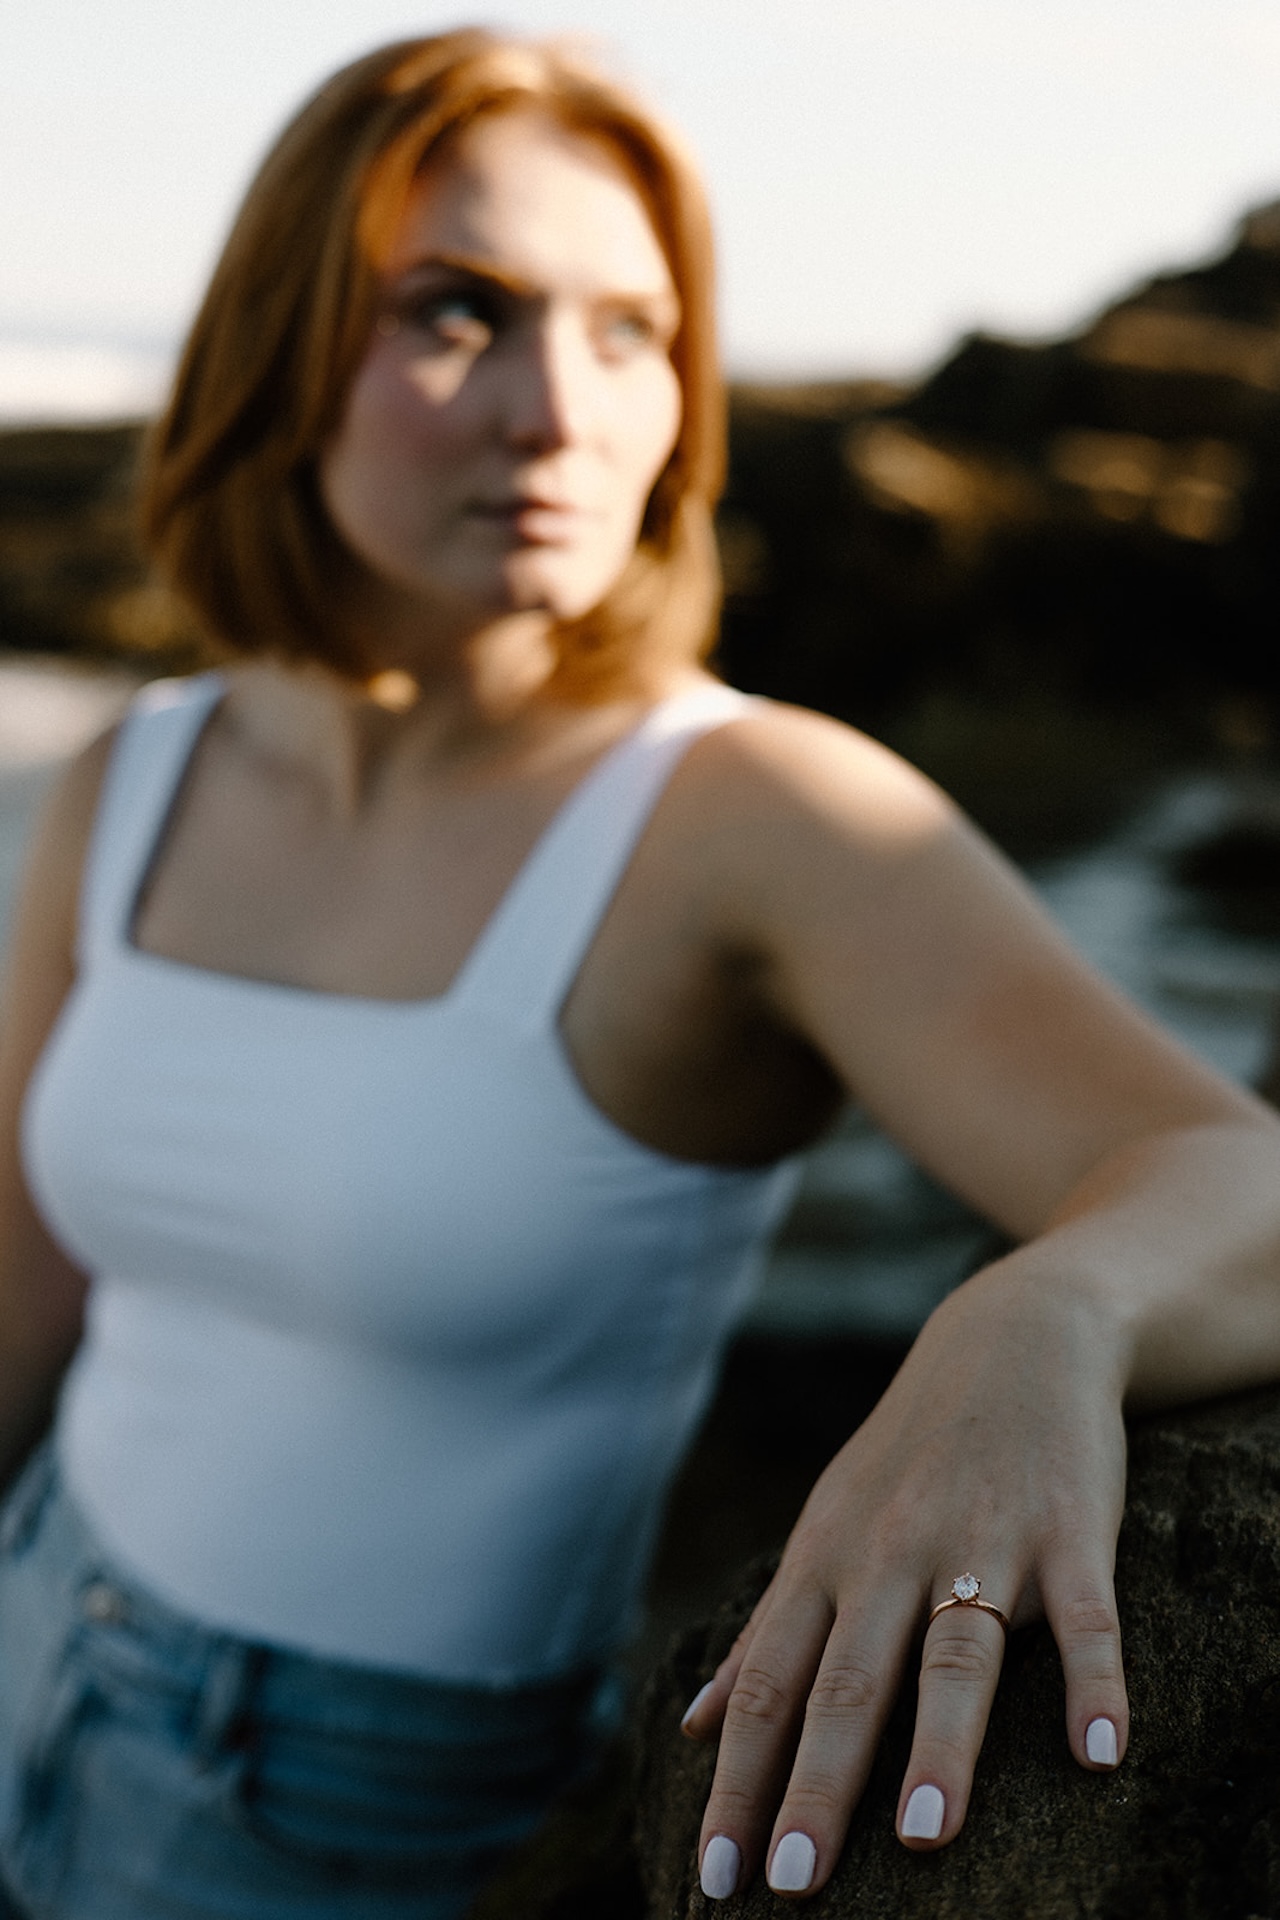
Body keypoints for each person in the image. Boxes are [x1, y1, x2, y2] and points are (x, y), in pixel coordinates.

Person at [0, 27, 1278, 1919]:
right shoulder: (141, 771)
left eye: (630, 331)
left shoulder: (751, 817)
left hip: (350, 1819)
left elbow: (1241, 1178)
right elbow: (22, 1300)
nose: (561, 410)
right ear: (275, 350)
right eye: (459, 311)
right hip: (31, 1626)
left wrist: (1044, 1319)